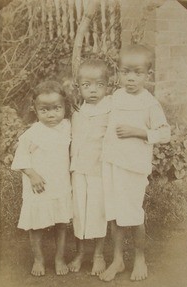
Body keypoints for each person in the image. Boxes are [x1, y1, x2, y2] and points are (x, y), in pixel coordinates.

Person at [100, 44, 171, 282]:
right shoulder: (115, 97)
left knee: (133, 213)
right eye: (125, 72)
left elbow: (164, 133)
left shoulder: (149, 103)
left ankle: (140, 257)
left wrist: (138, 132)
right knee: (114, 214)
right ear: (118, 72)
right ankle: (118, 259)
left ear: (147, 75)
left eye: (137, 73)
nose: (130, 78)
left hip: (133, 168)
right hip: (111, 164)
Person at [11, 81, 72, 276]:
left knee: (61, 223)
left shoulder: (67, 127)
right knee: (36, 224)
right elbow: (21, 159)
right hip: (39, 186)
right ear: (35, 110)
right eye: (44, 110)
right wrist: (32, 174)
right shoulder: (32, 134)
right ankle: (38, 259)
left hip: (60, 184)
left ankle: (59, 258)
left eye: (57, 108)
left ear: (64, 107)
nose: (51, 114)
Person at [68, 59, 111, 275]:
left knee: (97, 211)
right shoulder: (77, 112)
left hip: (99, 171)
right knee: (79, 211)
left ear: (108, 85)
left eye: (99, 85)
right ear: (79, 87)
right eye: (87, 85)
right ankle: (81, 252)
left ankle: (98, 254)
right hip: (79, 170)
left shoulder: (110, 110)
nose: (93, 90)